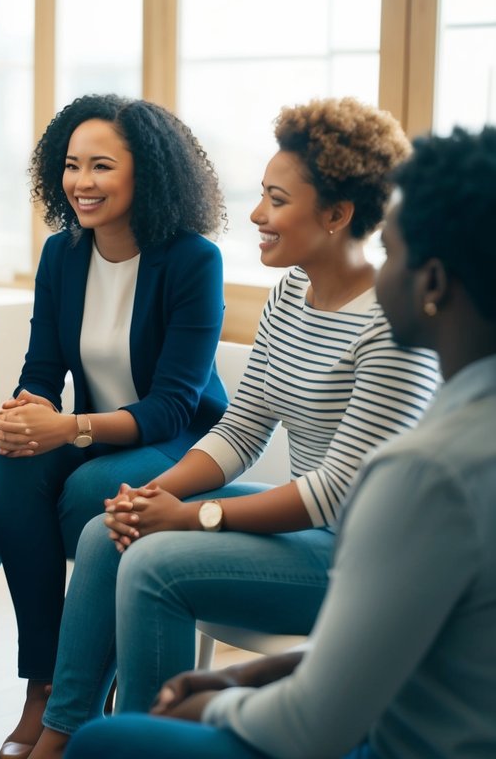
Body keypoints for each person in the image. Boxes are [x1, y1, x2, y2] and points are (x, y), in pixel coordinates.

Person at [27, 97, 442, 758]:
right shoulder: (288, 297)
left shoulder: (388, 324)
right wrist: (151, 497)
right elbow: (240, 431)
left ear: (335, 216)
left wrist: (191, 519)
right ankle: (64, 735)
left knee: (155, 560)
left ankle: (139, 744)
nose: (255, 216)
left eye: (275, 201)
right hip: (305, 531)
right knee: (111, 530)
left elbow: (336, 491)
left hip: (363, 558)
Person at [0, 94, 229, 759]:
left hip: (175, 441)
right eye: (70, 166)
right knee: (2, 463)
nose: (81, 183)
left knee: (81, 490)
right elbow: (40, 367)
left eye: (100, 166)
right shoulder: (61, 254)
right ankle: (42, 683)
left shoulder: (192, 261)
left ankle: (81, 696)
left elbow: (173, 407)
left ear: (144, 174)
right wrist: (23, 413)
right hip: (93, 429)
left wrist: (64, 428)